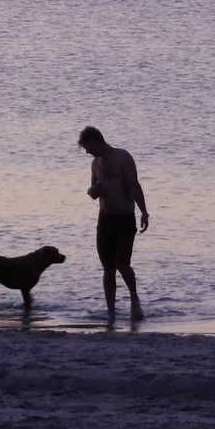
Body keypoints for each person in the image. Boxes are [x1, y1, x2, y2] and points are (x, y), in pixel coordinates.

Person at [79, 126, 149, 320]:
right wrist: (92, 191)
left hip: (125, 217)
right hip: (105, 219)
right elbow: (93, 189)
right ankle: (111, 312)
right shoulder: (95, 164)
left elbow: (134, 185)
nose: (87, 152)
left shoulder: (123, 157)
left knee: (122, 263)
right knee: (108, 268)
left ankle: (135, 300)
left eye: (87, 147)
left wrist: (144, 212)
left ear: (96, 142)